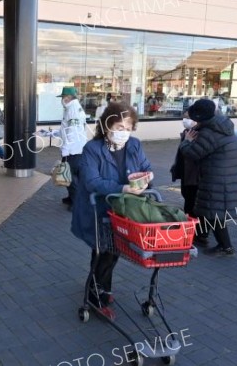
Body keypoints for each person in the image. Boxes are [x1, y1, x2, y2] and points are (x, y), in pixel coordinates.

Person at [71, 102, 152, 319]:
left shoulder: (134, 145)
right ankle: (95, 296)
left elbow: (146, 167)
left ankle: (103, 288)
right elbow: (91, 181)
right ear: (106, 125)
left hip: (123, 211)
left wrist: (146, 178)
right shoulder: (93, 149)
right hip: (99, 209)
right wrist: (122, 187)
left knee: (114, 251)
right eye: (118, 126)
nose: (123, 132)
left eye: (127, 128)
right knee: (103, 252)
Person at [179, 99, 237, 256]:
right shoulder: (225, 128)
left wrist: (186, 142)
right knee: (213, 214)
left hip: (215, 179)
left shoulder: (209, 133)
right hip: (226, 178)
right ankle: (221, 244)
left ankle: (226, 247)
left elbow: (192, 153)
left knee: (214, 214)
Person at [171, 111, 207, 246]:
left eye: (189, 118)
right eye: (184, 117)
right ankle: (191, 231)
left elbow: (192, 154)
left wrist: (187, 142)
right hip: (186, 175)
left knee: (193, 205)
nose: (185, 120)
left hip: (195, 176)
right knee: (188, 201)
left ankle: (198, 234)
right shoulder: (187, 132)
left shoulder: (198, 134)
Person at [58, 86, 87, 210]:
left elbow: (73, 132)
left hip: (74, 150)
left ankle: (76, 203)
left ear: (69, 97)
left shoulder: (73, 110)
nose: (62, 99)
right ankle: (71, 197)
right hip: (75, 148)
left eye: (64, 97)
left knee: (71, 176)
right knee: (69, 175)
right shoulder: (70, 108)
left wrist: (65, 149)